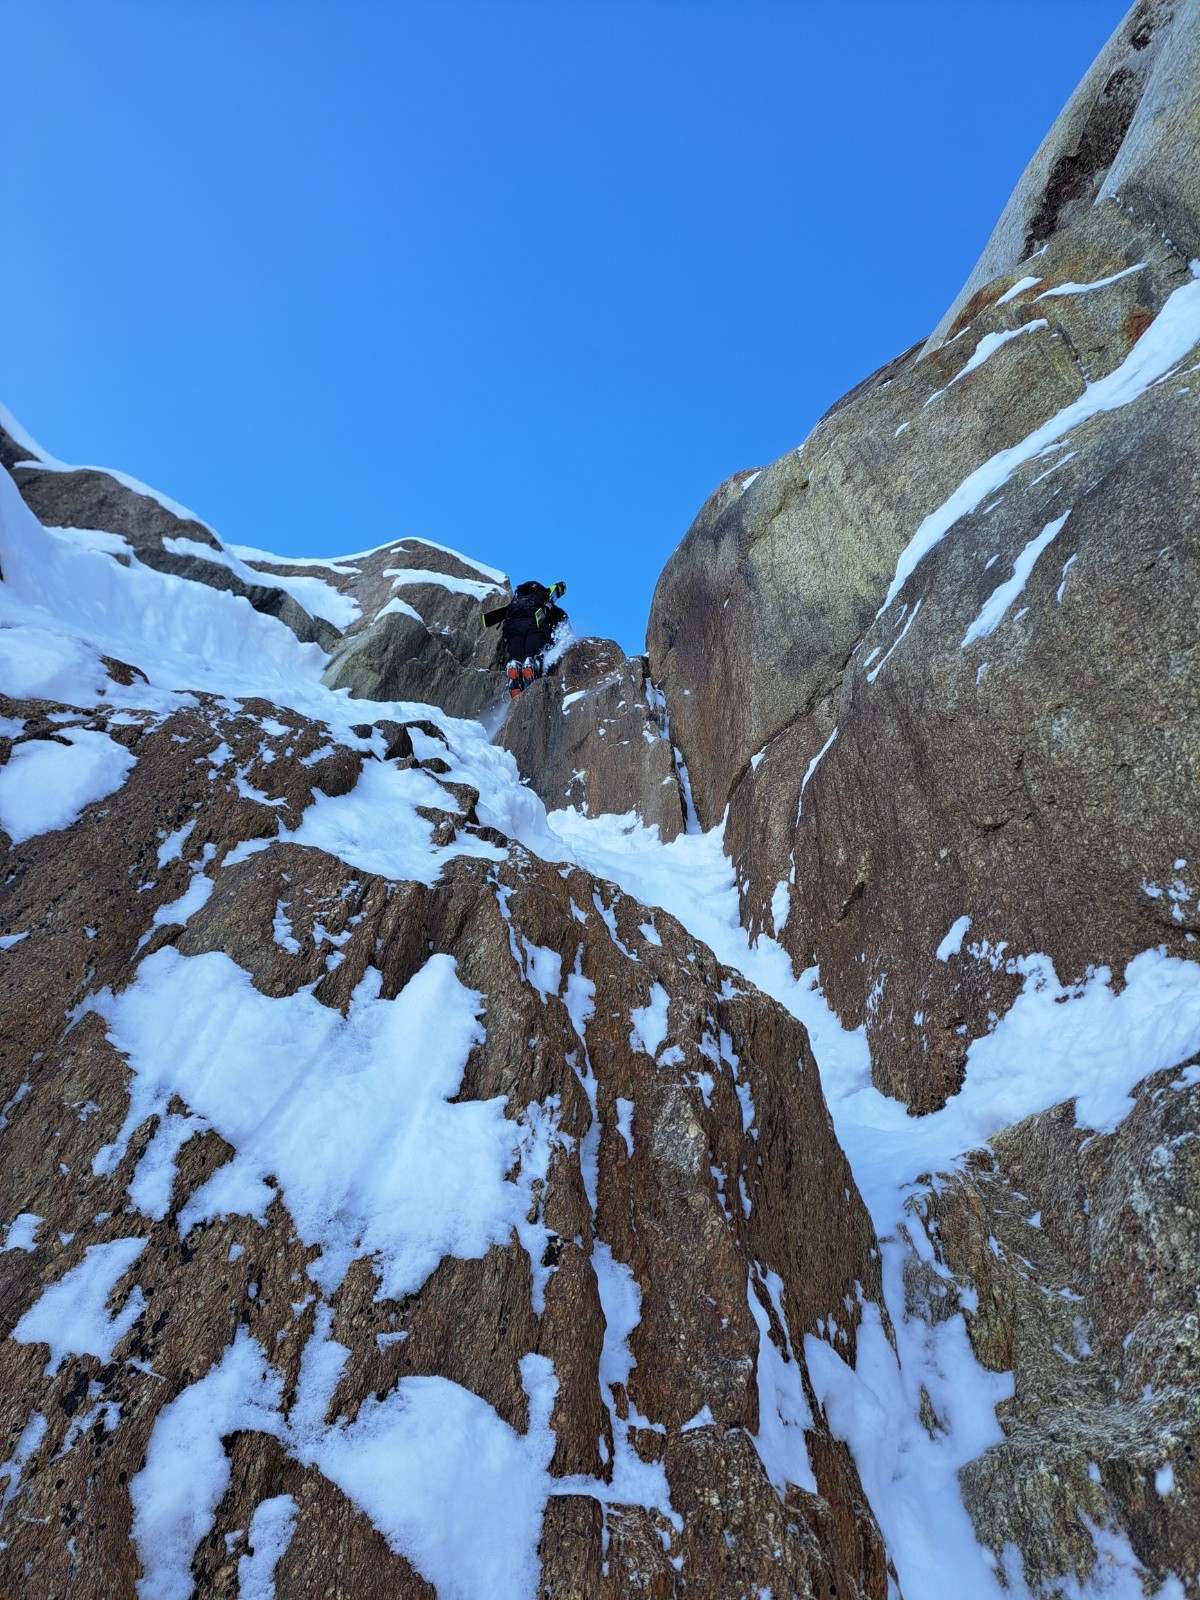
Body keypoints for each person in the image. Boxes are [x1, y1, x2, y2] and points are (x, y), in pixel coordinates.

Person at [484, 580, 568, 698]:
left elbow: (503, 622)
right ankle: (530, 666)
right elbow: (562, 620)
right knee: (532, 653)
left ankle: (515, 666)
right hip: (535, 627)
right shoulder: (545, 605)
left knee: (517, 655)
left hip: (513, 630)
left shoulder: (515, 605)